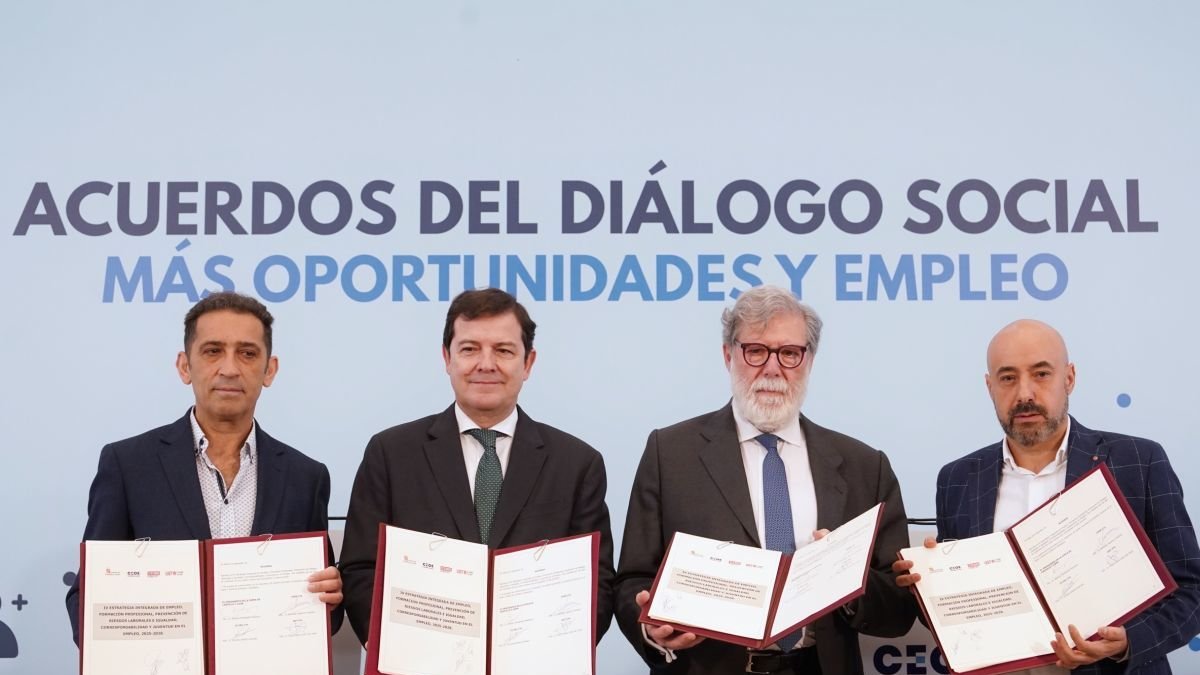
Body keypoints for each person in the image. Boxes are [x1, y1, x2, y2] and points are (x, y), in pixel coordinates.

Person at [614, 286, 914, 674]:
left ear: (809, 361)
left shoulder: (864, 466)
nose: (773, 368)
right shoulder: (669, 454)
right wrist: (653, 632)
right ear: (728, 355)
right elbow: (631, 581)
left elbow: (899, 608)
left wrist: (847, 584)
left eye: (790, 353)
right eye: (756, 351)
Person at [894, 319, 1200, 673]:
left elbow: (1191, 591)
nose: (1024, 394)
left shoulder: (1138, 461)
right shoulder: (958, 478)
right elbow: (959, 615)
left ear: (1069, 378)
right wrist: (927, 585)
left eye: (1041, 374)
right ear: (989, 386)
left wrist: (1129, 642)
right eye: (1008, 378)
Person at [339, 287, 614, 645]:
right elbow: (362, 573)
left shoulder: (577, 464)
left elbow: (597, 586)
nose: (486, 364)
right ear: (446, 358)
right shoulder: (391, 454)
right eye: (469, 349)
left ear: (528, 363)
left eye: (503, 350)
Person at [64, 291, 342, 644]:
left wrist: (329, 599)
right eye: (213, 351)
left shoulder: (306, 477)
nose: (229, 368)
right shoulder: (128, 464)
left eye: (247, 353)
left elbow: (323, 615)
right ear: (185, 366)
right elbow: (87, 594)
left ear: (269, 370)